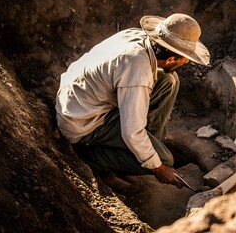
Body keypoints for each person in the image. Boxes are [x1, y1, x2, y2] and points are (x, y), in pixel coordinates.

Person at [55, 13, 210, 189]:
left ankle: (140, 149)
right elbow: (132, 131)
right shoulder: (137, 71)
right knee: (164, 159)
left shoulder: (137, 37)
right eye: (184, 59)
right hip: (82, 122)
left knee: (169, 81)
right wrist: (158, 167)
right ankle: (91, 158)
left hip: (81, 99)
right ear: (171, 59)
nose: (186, 62)